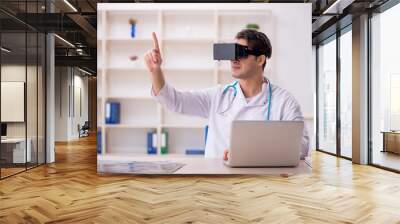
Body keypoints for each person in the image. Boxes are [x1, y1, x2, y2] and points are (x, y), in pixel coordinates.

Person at [144, 29, 309, 161]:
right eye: (231, 53)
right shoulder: (218, 95)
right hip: (217, 184)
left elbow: (302, 147)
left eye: (241, 53)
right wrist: (155, 71)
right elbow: (174, 102)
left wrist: (251, 151)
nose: (233, 60)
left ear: (260, 60)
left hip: (262, 184)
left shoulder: (284, 101)